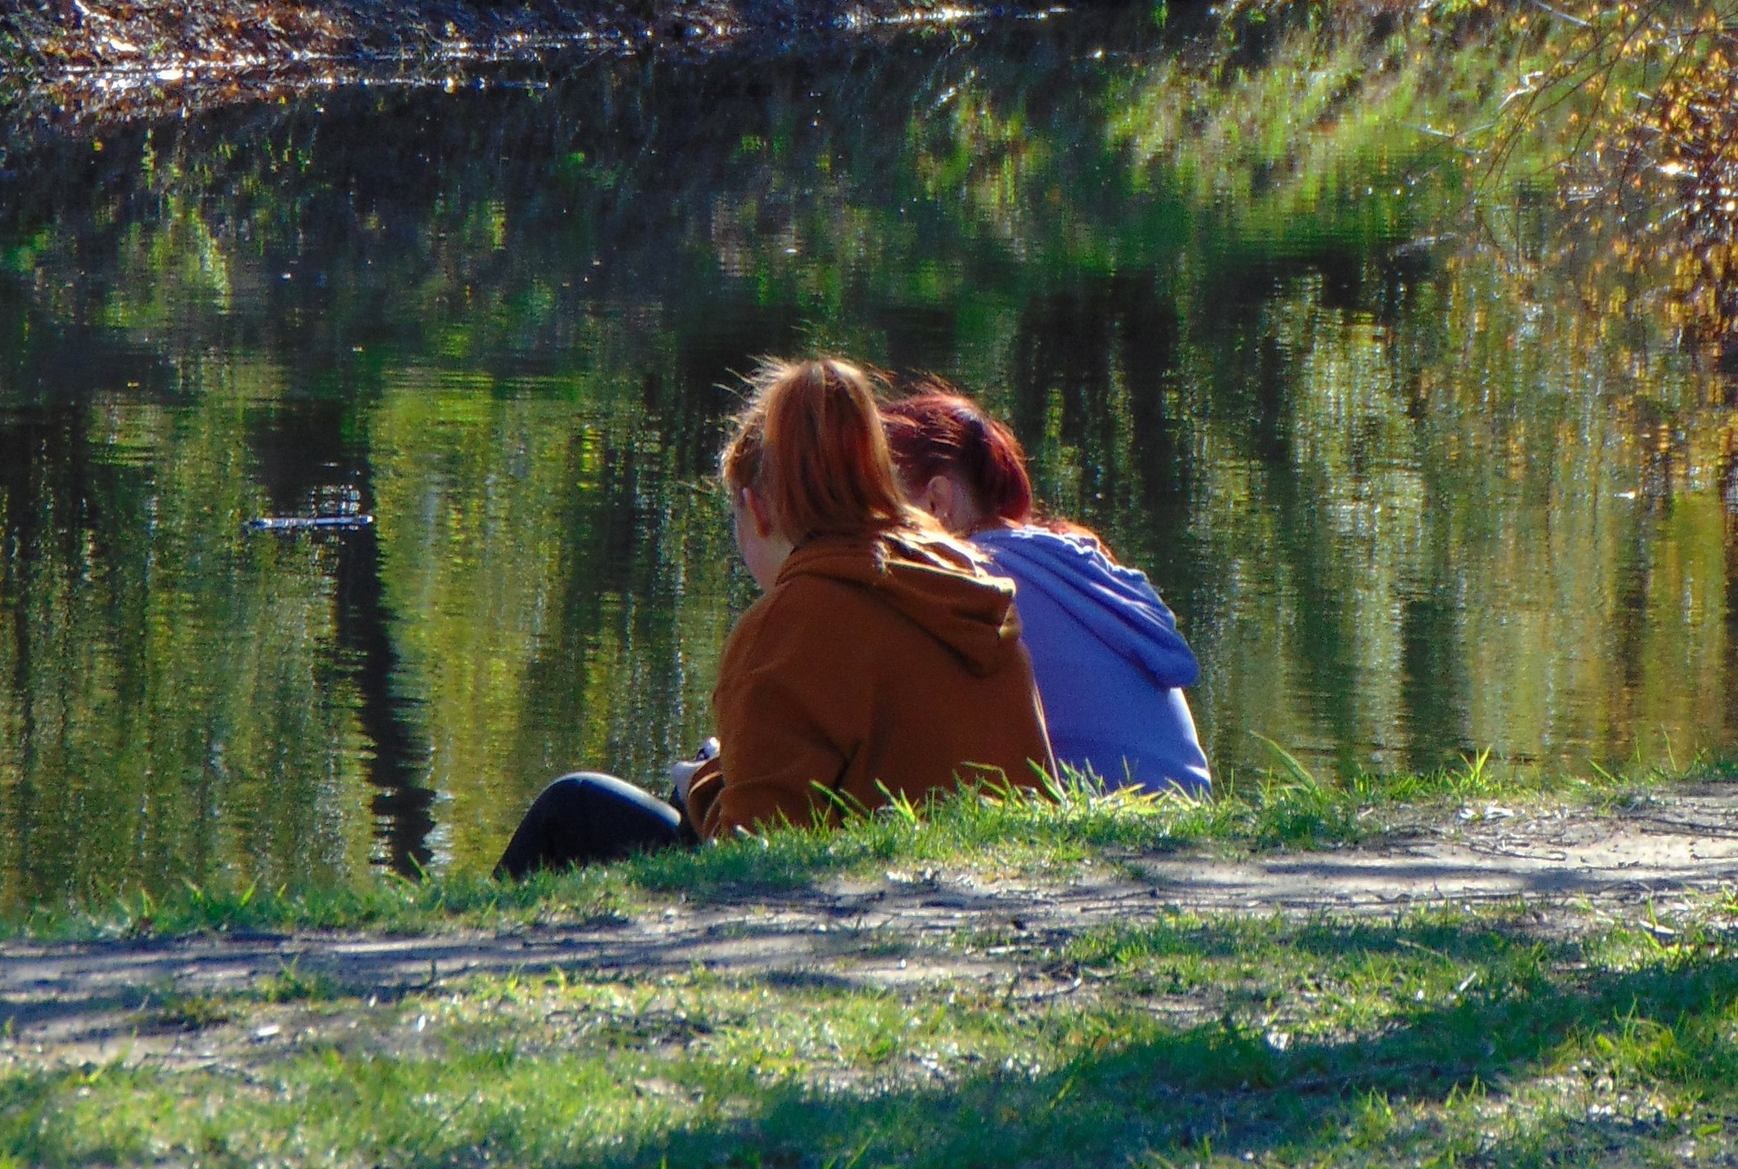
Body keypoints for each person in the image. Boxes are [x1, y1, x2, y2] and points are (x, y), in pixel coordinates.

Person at [497, 355, 1055, 875]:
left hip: (851, 896)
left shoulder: (791, 623)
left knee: (573, 805)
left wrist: (702, 786)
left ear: (759, 510)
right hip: (998, 869)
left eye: (734, 519)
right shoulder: (965, 581)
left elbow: (751, 855)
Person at [880, 386, 1212, 796]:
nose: (872, 532)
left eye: (882, 506)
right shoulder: (1076, 566)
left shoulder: (968, 581)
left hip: (1097, 830)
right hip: (1187, 816)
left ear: (935, 503)